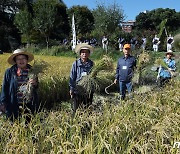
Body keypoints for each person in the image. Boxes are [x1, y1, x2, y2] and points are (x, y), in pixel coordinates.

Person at [0, 49, 39, 121]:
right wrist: (2, 102)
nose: (21, 61)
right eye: (18, 59)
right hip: (14, 103)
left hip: (29, 104)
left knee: (29, 124)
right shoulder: (10, 72)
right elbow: (5, 87)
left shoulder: (32, 71)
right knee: (15, 125)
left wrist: (35, 83)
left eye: (23, 58)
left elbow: (36, 87)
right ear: (15, 61)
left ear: (27, 60)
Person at [69, 43, 94, 113]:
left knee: (87, 107)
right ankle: (76, 121)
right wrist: (71, 89)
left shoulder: (91, 64)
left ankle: (87, 121)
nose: (84, 54)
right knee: (76, 108)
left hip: (88, 90)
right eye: (83, 52)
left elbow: (94, 77)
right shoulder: (76, 63)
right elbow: (72, 76)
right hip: (78, 89)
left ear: (89, 54)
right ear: (80, 54)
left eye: (86, 52)